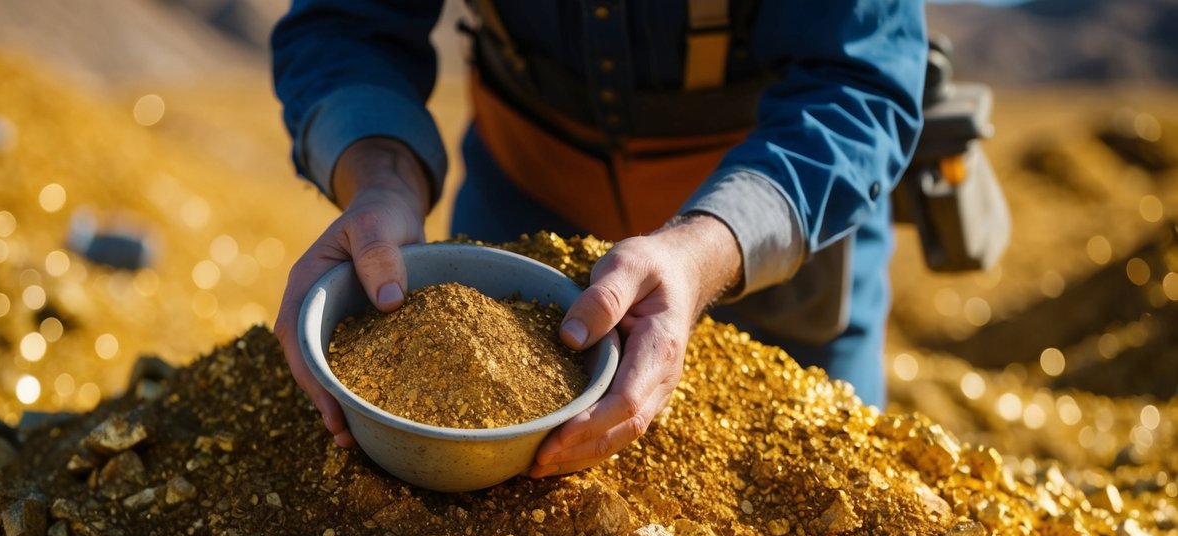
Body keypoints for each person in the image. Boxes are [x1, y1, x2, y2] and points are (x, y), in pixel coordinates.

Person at [271, 1, 927, 478]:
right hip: (522, 206)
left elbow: (858, 88)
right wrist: (379, 180)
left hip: (777, 218)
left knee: (823, 483)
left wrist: (704, 250)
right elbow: (343, 24)